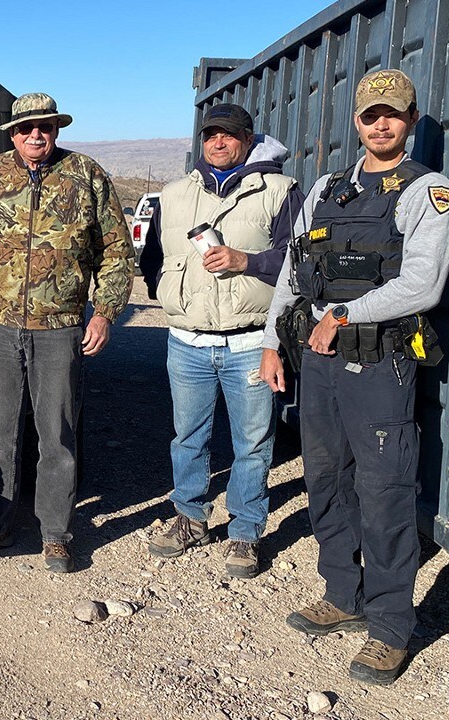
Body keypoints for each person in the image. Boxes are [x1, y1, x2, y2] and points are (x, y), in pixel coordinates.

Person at [260, 69, 449, 685]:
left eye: (393, 114)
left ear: (409, 119)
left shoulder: (427, 191)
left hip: (378, 365)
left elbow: (422, 284)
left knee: (385, 493)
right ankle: (343, 594)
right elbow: (295, 274)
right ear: (356, 120)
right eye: (371, 113)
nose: (381, 123)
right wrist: (272, 341)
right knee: (324, 478)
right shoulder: (327, 187)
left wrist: (345, 314)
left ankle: (391, 628)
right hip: (317, 364)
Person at [0, 92, 134, 573]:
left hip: (60, 328)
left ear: (56, 129)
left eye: (46, 126)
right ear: (13, 133)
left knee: (58, 432)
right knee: (0, 433)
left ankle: (55, 533)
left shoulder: (85, 175)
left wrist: (105, 312)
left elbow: (115, 250)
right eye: (27, 127)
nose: (37, 135)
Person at [141, 104, 304, 579]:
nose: (218, 142)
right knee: (187, 437)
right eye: (210, 134)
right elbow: (153, 258)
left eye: (229, 135)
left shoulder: (279, 190)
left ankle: (246, 532)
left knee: (253, 443)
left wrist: (245, 262)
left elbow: (298, 264)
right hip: (186, 341)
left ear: (248, 140)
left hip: (251, 342)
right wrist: (173, 294)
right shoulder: (173, 194)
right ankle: (190, 517)